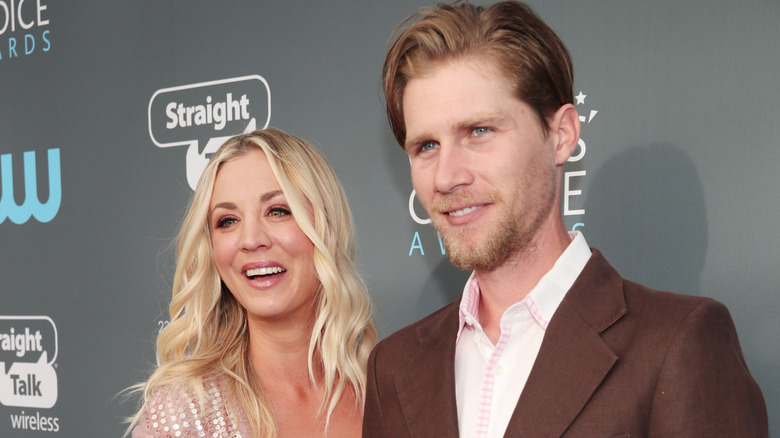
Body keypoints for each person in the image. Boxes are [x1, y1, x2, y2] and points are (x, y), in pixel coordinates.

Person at [363, 1, 768, 437]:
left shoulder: (676, 343)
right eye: (426, 146)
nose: (446, 176)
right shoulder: (394, 367)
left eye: (479, 131)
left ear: (561, 135)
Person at [128, 128, 377, 437]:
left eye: (278, 211)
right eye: (228, 221)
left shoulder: (389, 389)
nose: (251, 239)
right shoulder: (187, 414)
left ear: (327, 226)